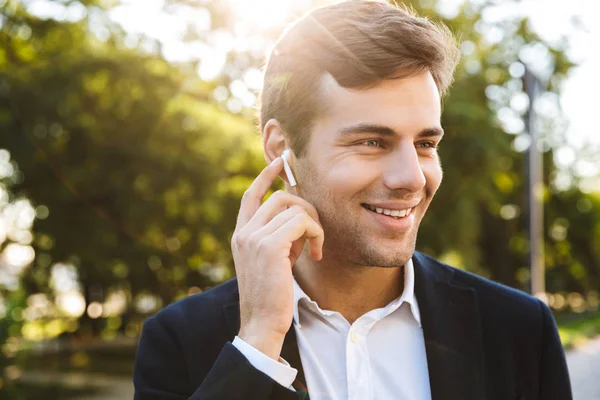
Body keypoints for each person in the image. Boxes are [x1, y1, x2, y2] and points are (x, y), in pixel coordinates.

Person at [133, 1, 572, 399]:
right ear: (281, 147)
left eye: (424, 143)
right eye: (371, 142)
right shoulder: (179, 341)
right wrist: (259, 342)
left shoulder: (519, 330)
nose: (411, 178)